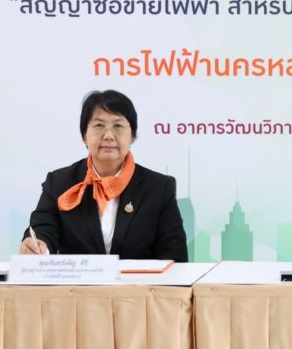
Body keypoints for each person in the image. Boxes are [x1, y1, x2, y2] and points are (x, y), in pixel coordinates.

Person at [20, 90, 188, 261]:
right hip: (78, 279)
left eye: (118, 126)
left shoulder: (159, 188)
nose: (108, 136)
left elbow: (175, 255)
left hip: (138, 280)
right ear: (84, 136)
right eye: (99, 126)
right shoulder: (59, 183)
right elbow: (42, 230)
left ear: (132, 136)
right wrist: (37, 246)